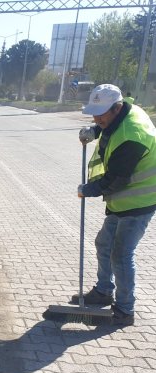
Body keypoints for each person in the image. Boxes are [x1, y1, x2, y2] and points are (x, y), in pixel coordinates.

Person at [75, 83, 156, 326]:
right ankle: (103, 291)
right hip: (122, 200)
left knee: (121, 255)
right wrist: (95, 130)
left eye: (101, 114)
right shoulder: (122, 113)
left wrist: (88, 190)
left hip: (139, 201)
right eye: (94, 113)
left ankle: (124, 309)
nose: (97, 117)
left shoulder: (133, 136)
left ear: (116, 107)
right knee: (104, 243)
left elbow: (116, 180)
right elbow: (111, 126)